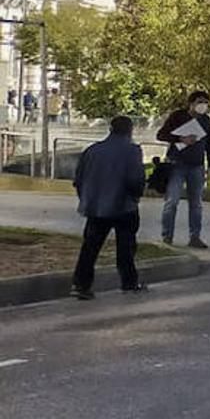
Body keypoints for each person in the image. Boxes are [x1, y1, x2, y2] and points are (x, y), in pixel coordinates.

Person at [70, 115, 147, 299]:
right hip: (124, 205)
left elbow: (79, 179)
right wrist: (136, 196)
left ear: (110, 129)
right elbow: (135, 179)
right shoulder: (132, 150)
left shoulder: (92, 150)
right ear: (130, 130)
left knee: (90, 247)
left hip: (96, 207)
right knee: (126, 246)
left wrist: (87, 199)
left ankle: (81, 284)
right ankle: (128, 282)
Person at [155, 90, 210, 248]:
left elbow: (209, 145)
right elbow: (161, 135)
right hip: (177, 164)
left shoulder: (206, 121)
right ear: (191, 103)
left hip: (197, 165)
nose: (203, 106)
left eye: (206, 103)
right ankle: (167, 236)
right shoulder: (178, 117)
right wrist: (180, 138)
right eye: (200, 102)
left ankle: (195, 236)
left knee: (196, 203)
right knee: (172, 201)